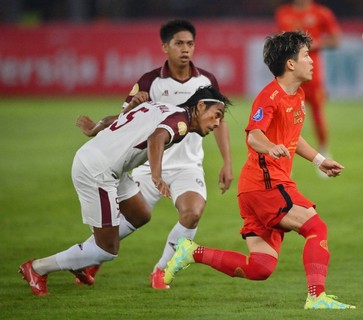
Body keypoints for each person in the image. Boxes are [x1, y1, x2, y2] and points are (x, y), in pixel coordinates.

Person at [162, 31, 355, 310]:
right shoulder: (270, 96)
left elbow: (292, 136)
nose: (312, 61)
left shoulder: (297, 95)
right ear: (290, 64)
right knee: (316, 227)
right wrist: (269, 147)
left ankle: (191, 252)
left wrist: (318, 160)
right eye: (305, 56)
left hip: (256, 187)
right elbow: (254, 135)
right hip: (267, 184)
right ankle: (316, 297)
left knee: (261, 267)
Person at [18, 85, 231, 296]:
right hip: (98, 171)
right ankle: (37, 268)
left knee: (140, 213)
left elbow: (118, 120)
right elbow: (156, 138)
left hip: (109, 166)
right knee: (106, 250)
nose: (217, 123)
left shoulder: (162, 108)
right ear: (201, 106)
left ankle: (81, 260)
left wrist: (95, 128)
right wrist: (156, 176)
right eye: (216, 115)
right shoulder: (181, 122)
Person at [74, 19, 233, 289]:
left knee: (193, 213)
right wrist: (101, 125)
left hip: (188, 167)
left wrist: (227, 162)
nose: (186, 49)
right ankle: (88, 258)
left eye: (190, 44)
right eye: (179, 43)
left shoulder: (207, 81)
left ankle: (161, 270)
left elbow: (219, 120)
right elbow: (125, 120)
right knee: (129, 219)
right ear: (165, 47)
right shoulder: (150, 82)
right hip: (148, 167)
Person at [275, 0, 341, 161]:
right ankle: (282, 156)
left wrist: (315, 44)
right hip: (288, 73)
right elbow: (279, 40)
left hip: (312, 75)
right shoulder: (283, 13)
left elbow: (335, 40)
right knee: (282, 115)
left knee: (317, 114)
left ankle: (324, 151)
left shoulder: (321, 13)